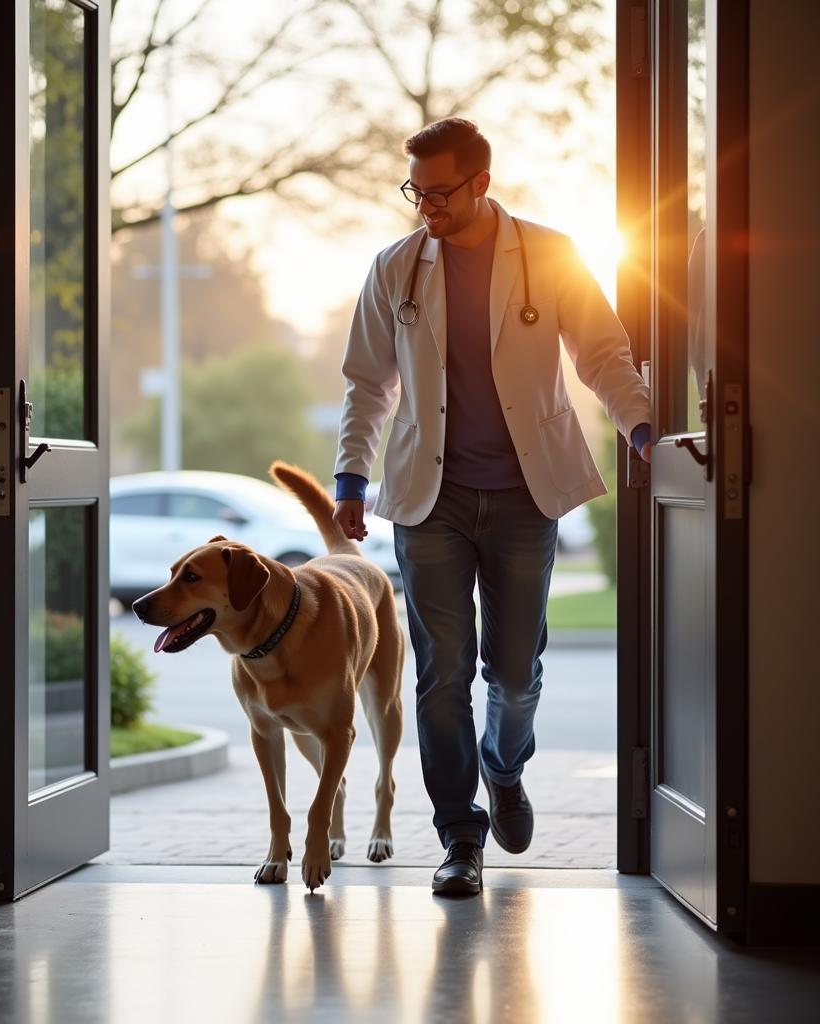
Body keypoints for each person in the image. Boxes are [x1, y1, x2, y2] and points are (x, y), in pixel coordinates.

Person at [331, 117, 651, 896]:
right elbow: (370, 383)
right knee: (441, 678)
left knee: (513, 672)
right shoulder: (396, 267)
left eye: (439, 192)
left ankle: (504, 768)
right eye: (416, 192)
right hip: (426, 498)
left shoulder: (549, 254)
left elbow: (604, 353)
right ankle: (459, 837)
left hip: (522, 494)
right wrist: (350, 476)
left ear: (481, 182)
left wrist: (642, 427)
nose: (425, 209)